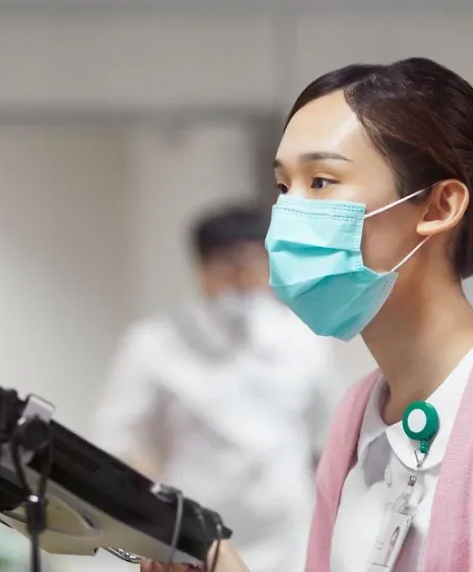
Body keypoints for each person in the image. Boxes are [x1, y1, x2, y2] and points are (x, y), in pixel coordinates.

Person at [141, 58, 473, 572]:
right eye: (283, 188)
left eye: (321, 181)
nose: (287, 218)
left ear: (437, 207)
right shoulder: (356, 416)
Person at [93, 204, 342, 572]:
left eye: (253, 265)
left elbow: (332, 439)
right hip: (197, 538)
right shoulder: (154, 344)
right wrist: (151, 505)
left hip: (289, 541)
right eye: (229, 265)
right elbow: (117, 440)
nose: (242, 279)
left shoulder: (305, 338)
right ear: (202, 269)